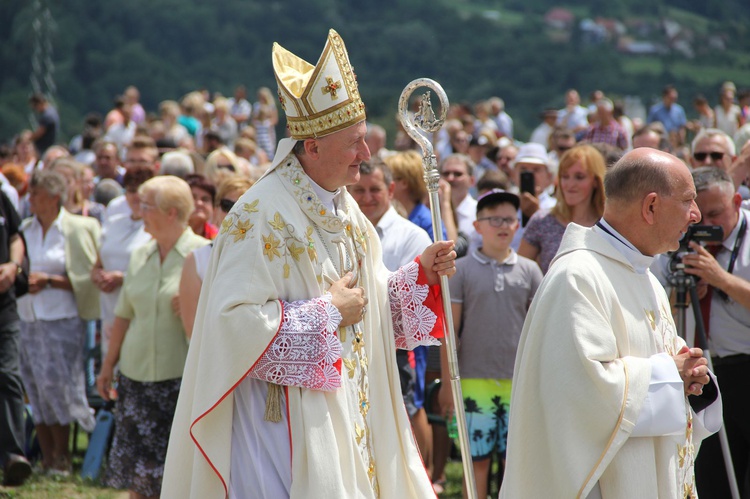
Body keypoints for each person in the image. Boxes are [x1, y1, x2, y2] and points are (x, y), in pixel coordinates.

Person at [162, 29, 456, 498]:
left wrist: (419, 274)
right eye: (355, 142)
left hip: (349, 406)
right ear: (312, 147)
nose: (366, 154)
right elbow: (230, 323)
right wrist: (326, 314)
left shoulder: (348, 210)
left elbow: (370, 303)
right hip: (281, 426)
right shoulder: (259, 215)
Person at [500, 148, 722, 498]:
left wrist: (691, 379)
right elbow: (578, 395)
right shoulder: (577, 276)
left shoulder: (645, 276)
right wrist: (668, 373)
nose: (695, 215)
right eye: (687, 201)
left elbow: (663, 367)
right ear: (650, 206)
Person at [96, 176, 209, 498]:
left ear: (171, 212)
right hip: (135, 377)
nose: (140, 212)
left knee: (176, 477)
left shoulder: (202, 255)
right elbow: (123, 315)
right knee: (139, 477)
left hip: (180, 381)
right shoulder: (139, 255)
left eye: (147, 207)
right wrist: (107, 367)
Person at [439, 189, 542, 499]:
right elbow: (450, 332)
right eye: (493, 218)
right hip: (473, 381)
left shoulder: (530, 270)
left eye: (510, 219)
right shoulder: (462, 270)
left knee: (515, 461)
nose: (503, 225)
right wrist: (447, 383)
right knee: (477, 461)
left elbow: (538, 331)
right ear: (477, 226)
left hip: (518, 382)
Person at [18, 170, 99, 475]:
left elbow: (86, 276)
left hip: (61, 317)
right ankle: (47, 457)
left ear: (53, 198)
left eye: (35, 194)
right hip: (29, 314)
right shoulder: (25, 229)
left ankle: (62, 457)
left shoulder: (75, 229)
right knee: (35, 386)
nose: (30, 200)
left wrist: (51, 281)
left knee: (58, 386)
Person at [675, 167, 750, 499]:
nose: (707, 225)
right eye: (699, 217)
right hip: (704, 374)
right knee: (711, 477)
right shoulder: (677, 237)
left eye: (716, 214)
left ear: (737, 200)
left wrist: (720, 279)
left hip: (746, 366)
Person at [91, 166, 154, 359]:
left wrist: (122, 278)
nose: (136, 197)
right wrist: (97, 275)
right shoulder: (115, 221)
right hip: (110, 308)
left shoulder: (156, 228)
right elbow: (98, 263)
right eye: (131, 190)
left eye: (141, 190)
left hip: (139, 312)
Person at [179, 175, 253, 337]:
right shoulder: (197, 260)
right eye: (227, 205)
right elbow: (192, 330)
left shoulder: (263, 258)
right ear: (216, 209)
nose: (234, 212)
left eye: (243, 206)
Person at [519, 145, 606, 273]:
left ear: (595, 181)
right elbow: (521, 273)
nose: (570, 185)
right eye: (565, 177)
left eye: (579, 177)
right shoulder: (542, 221)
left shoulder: (610, 226)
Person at [0, 190, 31, 486]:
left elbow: (15, 235)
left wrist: (13, 265)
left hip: (5, 307)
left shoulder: (1, 197)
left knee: (8, 375)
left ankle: (13, 456)